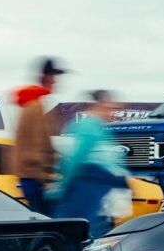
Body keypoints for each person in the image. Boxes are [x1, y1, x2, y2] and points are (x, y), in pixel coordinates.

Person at [53, 90, 130, 238]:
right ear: (99, 105)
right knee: (88, 226)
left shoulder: (96, 126)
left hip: (96, 181)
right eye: (110, 108)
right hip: (89, 181)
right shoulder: (90, 126)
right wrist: (64, 183)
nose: (112, 113)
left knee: (91, 224)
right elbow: (77, 156)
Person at [9, 58, 64, 214]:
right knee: (47, 221)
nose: (56, 82)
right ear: (47, 78)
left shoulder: (31, 105)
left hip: (30, 176)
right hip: (35, 178)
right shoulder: (36, 106)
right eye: (54, 77)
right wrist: (46, 176)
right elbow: (38, 145)